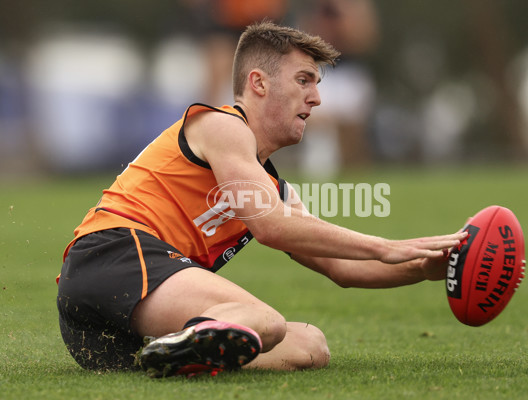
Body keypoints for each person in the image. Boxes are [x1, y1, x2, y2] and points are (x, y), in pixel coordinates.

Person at [56, 21, 467, 378]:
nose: (317, 98)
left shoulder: (275, 187)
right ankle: (185, 346)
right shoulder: (223, 125)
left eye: (317, 85)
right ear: (258, 83)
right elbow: (270, 226)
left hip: (105, 332)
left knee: (309, 345)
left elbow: (341, 267)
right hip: (113, 255)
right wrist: (385, 247)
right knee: (264, 322)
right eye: (304, 80)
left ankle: (172, 354)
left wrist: (425, 268)